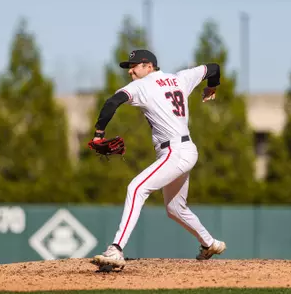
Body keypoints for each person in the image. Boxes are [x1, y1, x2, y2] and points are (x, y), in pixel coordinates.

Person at [89, 49, 226, 268]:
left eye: (134, 66)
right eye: (129, 67)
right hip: (184, 149)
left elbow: (112, 102)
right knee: (175, 209)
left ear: (149, 66)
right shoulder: (180, 78)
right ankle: (210, 243)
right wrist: (212, 87)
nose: (131, 71)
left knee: (136, 189)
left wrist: (98, 134)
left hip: (175, 151)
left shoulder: (141, 85)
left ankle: (116, 249)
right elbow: (214, 69)